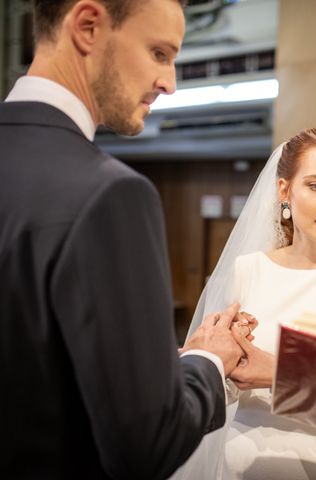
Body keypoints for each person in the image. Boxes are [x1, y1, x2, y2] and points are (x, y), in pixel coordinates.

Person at [0, 1, 249, 478]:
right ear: (89, 26)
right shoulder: (109, 194)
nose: (170, 82)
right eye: (159, 53)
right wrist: (208, 360)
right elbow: (145, 442)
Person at [171, 126, 316, 480]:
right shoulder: (248, 269)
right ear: (284, 190)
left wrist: (277, 372)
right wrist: (212, 363)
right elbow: (226, 387)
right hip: (241, 463)